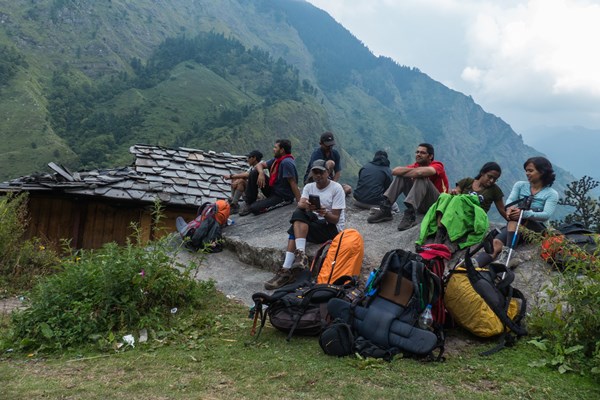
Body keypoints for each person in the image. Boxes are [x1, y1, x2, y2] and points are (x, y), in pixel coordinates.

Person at [264, 159, 346, 290]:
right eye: (315, 172)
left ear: (328, 172)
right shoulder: (309, 187)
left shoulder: (336, 189)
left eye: (321, 172)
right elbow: (300, 203)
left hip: (330, 227)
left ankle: (286, 270)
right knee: (299, 213)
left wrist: (324, 212)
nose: (318, 175)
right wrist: (308, 206)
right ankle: (301, 255)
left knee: (294, 228)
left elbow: (335, 219)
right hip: (315, 221)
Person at [473, 156, 559, 268]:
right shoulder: (520, 185)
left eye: (531, 170)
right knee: (496, 243)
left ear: (542, 172)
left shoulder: (551, 193)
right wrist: (510, 210)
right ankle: (476, 264)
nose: (527, 173)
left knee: (515, 220)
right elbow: (510, 201)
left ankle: (509, 254)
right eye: (526, 171)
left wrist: (523, 214)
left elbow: (546, 215)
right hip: (518, 225)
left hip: (538, 229)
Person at [368, 143, 449, 231]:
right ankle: (386, 207)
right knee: (402, 176)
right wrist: (415, 171)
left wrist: (416, 172)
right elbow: (395, 171)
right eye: (417, 152)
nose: (418, 154)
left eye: (422, 153)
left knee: (421, 178)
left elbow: (420, 173)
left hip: (436, 205)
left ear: (430, 156)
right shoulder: (416, 166)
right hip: (421, 204)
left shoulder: (438, 165)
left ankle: (411, 214)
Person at [240, 139, 301, 216]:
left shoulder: (286, 163)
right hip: (274, 189)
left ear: (282, 150)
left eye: (275, 148)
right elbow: (260, 165)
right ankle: (249, 202)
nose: (273, 149)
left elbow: (293, 182)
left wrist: (300, 202)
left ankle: (256, 205)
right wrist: (261, 173)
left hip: (282, 196)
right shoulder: (277, 159)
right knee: (254, 172)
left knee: (255, 208)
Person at [223, 150, 263, 214]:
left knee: (241, 181)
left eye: (249, 158)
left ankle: (234, 204)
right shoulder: (252, 167)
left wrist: (231, 176)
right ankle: (234, 203)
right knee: (235, 179)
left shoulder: (261, 166)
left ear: (254, 158)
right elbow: (245, 174)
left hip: (259, 195)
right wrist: (235, 178)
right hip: (252, 192)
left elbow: (247, 175)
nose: (248, 160)